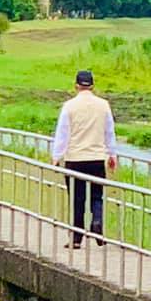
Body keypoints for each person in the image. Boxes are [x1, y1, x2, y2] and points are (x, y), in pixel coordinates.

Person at [50, 69, 118, 247]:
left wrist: (56, 156)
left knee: (77, 198)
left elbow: (63, 133)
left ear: (76, 86)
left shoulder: (69, 106)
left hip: (75, 159)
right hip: (96, 158)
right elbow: (109, 131)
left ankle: (76, 238)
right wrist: (112, 154)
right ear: (93, 86)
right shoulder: (104, 105)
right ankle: (97, 221)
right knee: (97, 196)